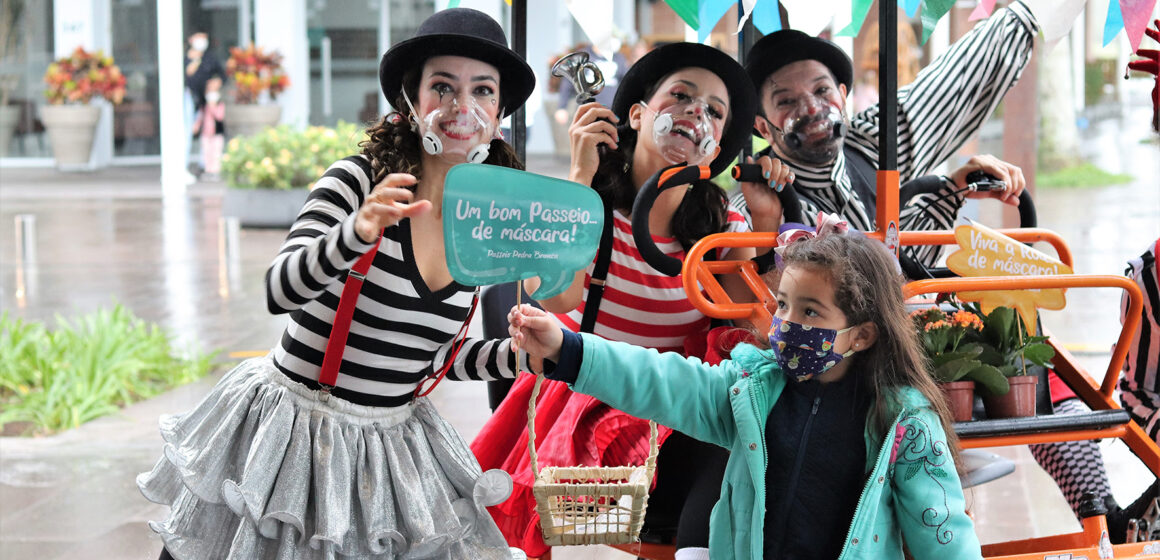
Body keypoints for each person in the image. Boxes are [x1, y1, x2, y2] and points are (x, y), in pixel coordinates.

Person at [138, 8, 535, 559]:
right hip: (292, 437)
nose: (460, 107)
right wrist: (357, 230)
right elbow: (280, 289)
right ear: (411, 101)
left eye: (482, 90)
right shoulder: (357, 181)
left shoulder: (483, 219)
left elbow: (433, 354)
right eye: (441, 86)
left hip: (390, 451)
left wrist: (522, 354)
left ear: (499, 111)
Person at [471, 42, 788, 560]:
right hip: (591, 420)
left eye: (714, 110)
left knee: (748, 414)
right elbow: (549, 296)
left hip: (683, 420)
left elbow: (750, 334)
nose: (695, 114)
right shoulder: (589, 208)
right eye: (680, 96)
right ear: (636, 115)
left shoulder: (720, 228)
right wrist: (578, 175)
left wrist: (768, 224)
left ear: (715, 149)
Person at [509, 220, 984, 560]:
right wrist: (567, 348)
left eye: (811, 312)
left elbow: (942, 532)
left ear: (861, 335)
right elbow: (661, 380)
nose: (786, 324)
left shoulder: (903, 424)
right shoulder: (750, 392)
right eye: (783, 305)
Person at [731, 2, 1071, 266]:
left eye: (822, 90)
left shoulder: (871, 142)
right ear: (764, 127)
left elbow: (948, 87)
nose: (811, 108)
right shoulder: (755, 198)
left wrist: (953, 186)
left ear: (844, 96)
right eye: (787, 101)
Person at [184, 31, 225, 176]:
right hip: (190, 100)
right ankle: (182, 166)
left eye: (204, 38)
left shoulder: (209, 58)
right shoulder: (184, 58)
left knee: (210, 134)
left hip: (207, 102)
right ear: (191, 39)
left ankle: (207, 165)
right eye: (198, 37)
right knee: (187, 132)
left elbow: (222, 75)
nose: (201, 41)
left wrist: (216, 84)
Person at [192, 76, 225, 181]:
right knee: (206, 151)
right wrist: (197, 125)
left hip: (216, 133)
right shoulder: (203, 104)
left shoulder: (220, 103)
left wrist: (213, 107)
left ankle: (215, 171)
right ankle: (207, 170)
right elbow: (201, 115)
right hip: (206, 132)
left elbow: (219, 116)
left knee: (216, 152)